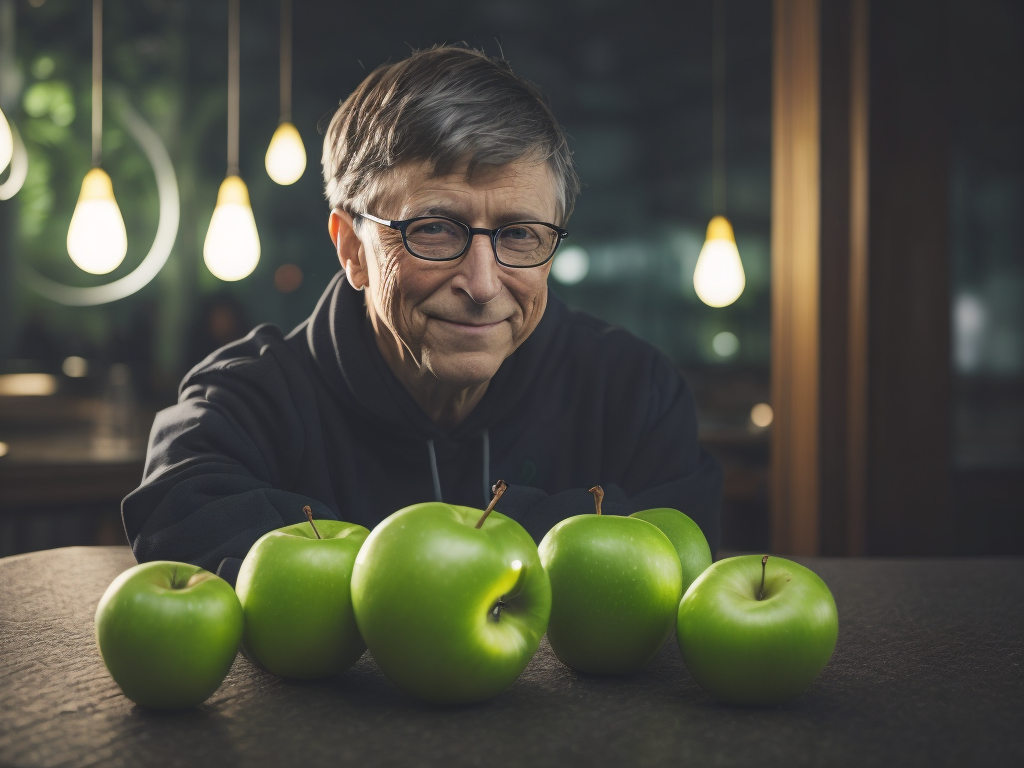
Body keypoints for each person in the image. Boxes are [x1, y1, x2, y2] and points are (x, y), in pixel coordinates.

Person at [122, 46, 722, 586]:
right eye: (433, 230)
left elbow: (679, 555)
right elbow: (179, 515)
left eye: (518, 234)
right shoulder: (242, 403)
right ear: (351, 248)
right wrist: (566, 532)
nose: (484, 285)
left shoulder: (635, 394)